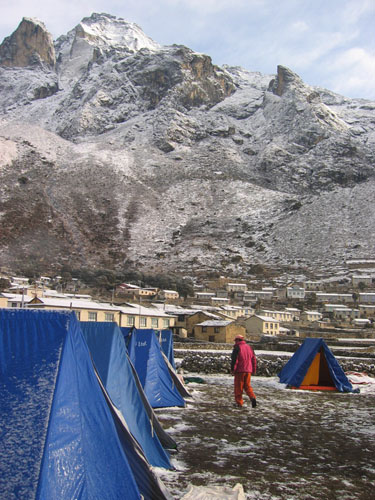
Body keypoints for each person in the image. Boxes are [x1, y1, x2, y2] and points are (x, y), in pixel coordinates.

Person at [231, 334, 257, 408]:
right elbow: (254, 359)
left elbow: (235, 360)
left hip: (240, 371)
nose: (235, 342)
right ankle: (252, 397)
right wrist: (254, 369)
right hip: (248, 370)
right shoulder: (249, 348)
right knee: (247, 386)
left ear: (238, 340)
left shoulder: (237, 348)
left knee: (238, 387)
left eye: (235, 340)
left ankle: (239, 403)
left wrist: (233, 370)